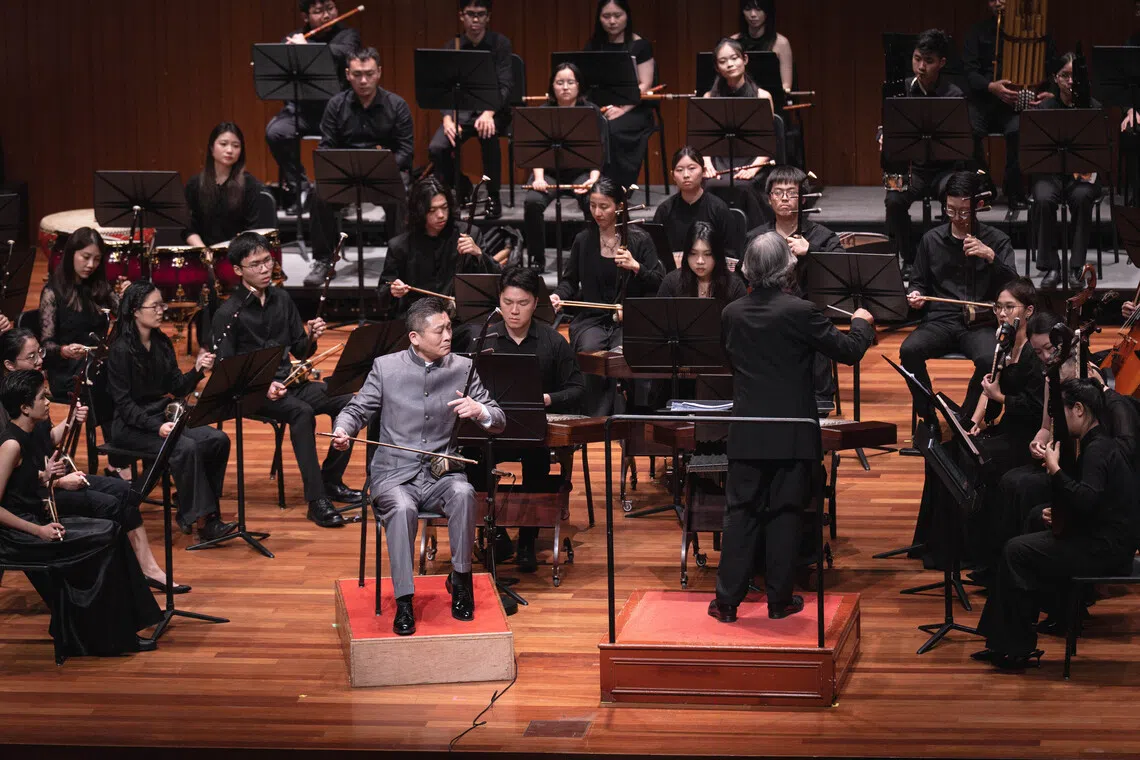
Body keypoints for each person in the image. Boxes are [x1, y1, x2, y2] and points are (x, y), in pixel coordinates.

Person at [708, 233, 874, 623]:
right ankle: (779, 602)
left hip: (747, 430)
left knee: (740, 513)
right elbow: (849, 352)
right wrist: (861, 323)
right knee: (785, 514)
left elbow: (730, 363)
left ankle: (727, 603)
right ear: (785, 269)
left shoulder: (731, 313)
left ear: (748, 269)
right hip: (792, 432)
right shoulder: (801, 311)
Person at [331, 297, 506, 636]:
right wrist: (343, 430)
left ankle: (461, 581)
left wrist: (480, 411)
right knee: (402, 508)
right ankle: (404, 599)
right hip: (394, 474)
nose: (448, 336)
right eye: (439, 331)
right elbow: (357, 410)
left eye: (449, 328)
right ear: (415, 337)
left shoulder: (463, 368)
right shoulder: (386, 368)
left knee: (464, 493)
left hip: (442, 474)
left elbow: (498, 419)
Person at [974, 379, 1138, 670]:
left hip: (1106, 549)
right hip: (1101, 535)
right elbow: (1094, 501)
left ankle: (1016, 647)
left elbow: (1087, 499)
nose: (1056, 420)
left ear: (1079, 409)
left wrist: (1055, 469)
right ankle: (1009, 636)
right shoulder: (1094, 442)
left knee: (1015, 551)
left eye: (1060, 411)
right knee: (1035, 517)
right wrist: (1063, 513)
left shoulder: (1098, 450)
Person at [0, 327, 178, 591]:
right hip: (37, 495)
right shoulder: (10, 408)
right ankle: (120, 582)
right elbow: (14, 475)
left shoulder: (32, 392)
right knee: (110, 505)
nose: (39, 360)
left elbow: (44, 441)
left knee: (124, 490)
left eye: (40, 353)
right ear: (9, 365)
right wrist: (55, 481)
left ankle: (146, 568)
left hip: (49, 480)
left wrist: (70, 421)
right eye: (31, 356)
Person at [0, 370, 162, 657]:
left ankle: (128, 626)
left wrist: (46, 476)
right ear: (24, 407)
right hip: (20, 534)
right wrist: (39, 531)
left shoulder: (32, 432)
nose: (48, 402)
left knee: (112, 530)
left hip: (38, 520)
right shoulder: (11, 444)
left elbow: (22, 482)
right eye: (41, 397)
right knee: (105, 540)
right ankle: (108, 636)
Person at [212, 232, 360, 528]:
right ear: (238, 270)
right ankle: (316, 500)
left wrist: (311, 336)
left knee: (348, 402)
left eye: (267, 260)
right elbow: (225, 370)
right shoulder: (227, 313)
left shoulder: (281, 298)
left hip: (290, 384)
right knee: (301, 413)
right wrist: (262, 386)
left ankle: (331, 480)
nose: (265, 268)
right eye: (256, 264)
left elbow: (301, 350)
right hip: (252, 393)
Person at [455, 267, 585, 572]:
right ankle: (496, 534)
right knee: (472, 457)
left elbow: (578, 389)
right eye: (508, 302)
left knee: (537, 461)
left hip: (533, 432)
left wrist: (547, 399)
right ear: (499, 300)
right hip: (489, 430)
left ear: (535, 303)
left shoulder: (553, 341)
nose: (514, 310)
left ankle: (528, 538)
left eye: (523, 303)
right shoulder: (483, 338)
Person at [106, 282, 234, 545]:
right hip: (130, 426)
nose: (161, 310)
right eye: (154, 306)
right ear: (135, 311)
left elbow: (176, 386)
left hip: (162, 416)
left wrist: (198, 370)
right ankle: (204, 521)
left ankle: (190, 501)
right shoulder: (119, 350)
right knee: (184, 447)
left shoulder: (161, 342)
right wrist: (156, 427)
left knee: (217, 440)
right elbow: (124, 405)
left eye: (161, 304)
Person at [901, 171, 1017, 429]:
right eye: (950, 210)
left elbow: (1014, 287)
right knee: (909, 351)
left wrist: (991, 257)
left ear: (978, 206)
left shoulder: (997, 241)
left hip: (981, 323)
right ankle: (929, 416)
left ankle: (963, 421)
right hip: (940, 319)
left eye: (963, 212)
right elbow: (918, 281)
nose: (956, 217)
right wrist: (916, 295)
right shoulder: (931, 240)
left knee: (989, 359)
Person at [551, 178, 665, 416]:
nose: (597, 212)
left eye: (604, 206)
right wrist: (557, 296)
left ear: (619, 207)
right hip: (592, 318)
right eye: (593, 205)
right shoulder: (584, 240)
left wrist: (636, 266)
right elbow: (569, 281)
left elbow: (660, 281)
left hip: (630, 319)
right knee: (590, 350)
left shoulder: (639, 240)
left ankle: (624, 418)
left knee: (621, 355)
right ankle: (594, 419)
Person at [305, 47, 415, 286]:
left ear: (379, 73)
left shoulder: (397, 105)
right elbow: (326, 148)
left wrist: (382, 169)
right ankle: (324, 260)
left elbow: (406, 151)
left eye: (369, 73)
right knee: (318, 194)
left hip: (384, 175)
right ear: (347, 74)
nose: (363, 80)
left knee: (400, 195)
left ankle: (399, 263)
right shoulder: (336, 105)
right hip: (346, 176)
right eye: (357, 74)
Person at [962, 279, 1043, 566]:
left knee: (975, 458)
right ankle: (958, 545)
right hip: (1008, 428)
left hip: (1028, 437)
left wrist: (1000, 397)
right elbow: (990, 389)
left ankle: (981, 550)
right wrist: (978, 421)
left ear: (1028, 311)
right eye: (998, 307)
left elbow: (1036, 407)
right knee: (958, 450)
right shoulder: (1005, 344)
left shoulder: (1035, 352)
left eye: (1010, 307)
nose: (1002, 313)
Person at [39, 227, 129, 479]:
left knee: (120, 380)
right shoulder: (52, 292)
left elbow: (126, 315)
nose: (91, 265)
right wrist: (65, 351)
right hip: (67, 372)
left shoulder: (100, 288)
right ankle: (118, 462)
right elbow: (45, 346)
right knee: (110, 386)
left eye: (97, 259)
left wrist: (127, 296)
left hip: (97, 365)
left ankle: (121, 457)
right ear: (71, 254)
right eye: (85, 257)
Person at [881, 29, 966, 274]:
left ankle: (946, 260)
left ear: (942, 63)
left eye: (928, 61)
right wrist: (883, 136)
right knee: (893, 198)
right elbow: (883, 126)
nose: (921, 67)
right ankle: (909, 259)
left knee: (957, 196)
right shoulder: (901, 90)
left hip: (945, 171)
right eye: (917, 59)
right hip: (910, 169)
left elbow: (961, 141)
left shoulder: (954, 95)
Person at [264, 0, 361, 212]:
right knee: (275, 132)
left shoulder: (348, 36)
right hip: (304, 113)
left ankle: (339, 195)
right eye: (318, 11)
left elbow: (343, 53)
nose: (326, 15)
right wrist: (287, 52)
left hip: (338, 114)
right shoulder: (295, 38)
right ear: (305, 17)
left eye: (330, 8)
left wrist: (307, 50)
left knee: (350, 131)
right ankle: (301, 188)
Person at [961, 0, 1054, 206]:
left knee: (1019, 131)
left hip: (1014, 104)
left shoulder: (1035, 32)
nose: (998, 3)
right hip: (983, 101)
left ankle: (1014, 189)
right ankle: (984, 184)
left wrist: (1046, 92)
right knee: (969, 132)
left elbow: (1052, 69)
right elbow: (969, 73)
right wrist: (991, 86)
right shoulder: (977, 32)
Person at [428, 0, 513, 218]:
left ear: (488, 17)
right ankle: (462, 186)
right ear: (461, 16)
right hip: (461, 113)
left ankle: (493, 196)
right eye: (470, 14)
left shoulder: (500, 44)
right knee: (437, 147)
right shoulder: (452, 46)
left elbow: (504, 86)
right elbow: (445, 88)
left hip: (493, 111)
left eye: (481, 14)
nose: (475, 20)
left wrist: (489, 112)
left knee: (489, 134)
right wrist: (448, 118)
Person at [1029, 53, 1104, 291]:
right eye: (1065, 75)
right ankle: (1051, 266)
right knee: (1043, 198)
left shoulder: (1093, 107)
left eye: (1075, 76)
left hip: (1082, 176)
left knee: (1082, 197)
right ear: (1055, 78)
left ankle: (1076, 267)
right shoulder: (1045, 109)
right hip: (1051, 175)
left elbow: (1099, 152)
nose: (1071, 81)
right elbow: (1035, 150)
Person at [522, 63, 606, 271]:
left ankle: (592, 255)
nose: (565, 87)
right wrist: (538, 178)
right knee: (532, 202)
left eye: (570, 82)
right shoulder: (543, 112)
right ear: (552, 86)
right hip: (549, 173)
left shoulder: (592, 111)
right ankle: (536, 259)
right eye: (560, 82)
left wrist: (593, 180)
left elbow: (599, 150)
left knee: (593, 200)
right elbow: (537, 150)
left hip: (582, 173)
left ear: (579, 85)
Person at [380, 176, 501, 317]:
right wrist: (393, 290)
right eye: (432, 210)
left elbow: (496, 280)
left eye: (444, 207)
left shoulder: (469, 235)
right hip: (418, 320)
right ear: (420, 211)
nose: (441, 215)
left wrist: (479, 254)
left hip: (460, 319)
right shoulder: (400, 246)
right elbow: (383, 293)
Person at [584, 0, 657, 188]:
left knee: (611, 129)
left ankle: (616, 187)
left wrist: (622, 109)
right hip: (601, 107)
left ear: (627, 16)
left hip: (634, 108)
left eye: (617, 15)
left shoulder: (640, 45)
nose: (612, 21)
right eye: (606, 16)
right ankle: (587, 183)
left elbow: (645, 84)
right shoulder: (593, 46)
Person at [702, 37, 775, 219]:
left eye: (734, 58)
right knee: (710, 184)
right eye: (723, 61)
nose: (730, 64)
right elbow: (704, 138)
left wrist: (754, 168)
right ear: (717, 67)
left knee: (744, 186)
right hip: (720, 161)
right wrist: (707, 164)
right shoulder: (709, 97)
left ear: (745, 59)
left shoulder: (762, 96)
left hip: (754, 160)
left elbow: (768, 140)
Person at [652, 146, 744, 258]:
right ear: (673, 175)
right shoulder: (664, 210)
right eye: (679, 170)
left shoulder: (719, 209)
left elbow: (731, 253)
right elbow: (655, 252)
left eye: (692, 168)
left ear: (703, 171)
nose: (686, 175)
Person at [184, 122, 264, 249]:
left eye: (236, 146)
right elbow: (188, 228)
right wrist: (204, 250)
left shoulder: (250, 185)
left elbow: (252, 230)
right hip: (202, 252)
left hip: (238, 253)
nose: (229, 150)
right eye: (223, 144)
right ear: (212, 148)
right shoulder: (194, 184)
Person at [657, 221, 747, 302]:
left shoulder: (735, 285)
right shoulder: (671, 282)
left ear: (717, 255)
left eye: (707, 254)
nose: (700, 261)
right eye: (693, 253)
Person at [732, 0, 793, 94]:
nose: (753, 14)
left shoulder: (781, 43)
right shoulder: (733, 42)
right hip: (740, 98)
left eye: (759, 9)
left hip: (772, 99)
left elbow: (786, 86)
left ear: (767, 11)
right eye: (748, 9)